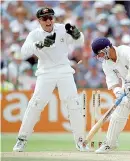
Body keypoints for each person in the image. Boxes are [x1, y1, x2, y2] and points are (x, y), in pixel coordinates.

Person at [13, 7, 90, 152]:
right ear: (39, 20)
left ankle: (80, 141)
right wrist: (40, 44)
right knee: (36, 104)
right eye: (45, 18)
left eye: (50, 18)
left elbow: (79, 42)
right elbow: (23, 52)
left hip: (64, 70)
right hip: (45, 72)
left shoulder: (62, 29)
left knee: (73, 103)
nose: (48, 21)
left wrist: (77, 34)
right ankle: (22, 139)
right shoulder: (34, 34)